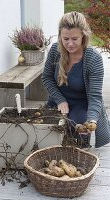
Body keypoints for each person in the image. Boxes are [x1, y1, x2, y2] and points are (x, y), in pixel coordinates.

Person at [42, 11, 110, 148]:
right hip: (58, 101)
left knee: (77, 131)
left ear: (83, 36)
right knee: (45, 132)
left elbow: (95, 96)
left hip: (82, 105)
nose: (70, 44)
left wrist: (91, 120)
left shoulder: (93, 59)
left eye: (74, 39)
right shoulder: (55, 50)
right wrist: (59, 99)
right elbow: (47, 77)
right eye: (65, 39)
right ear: (60, 35)